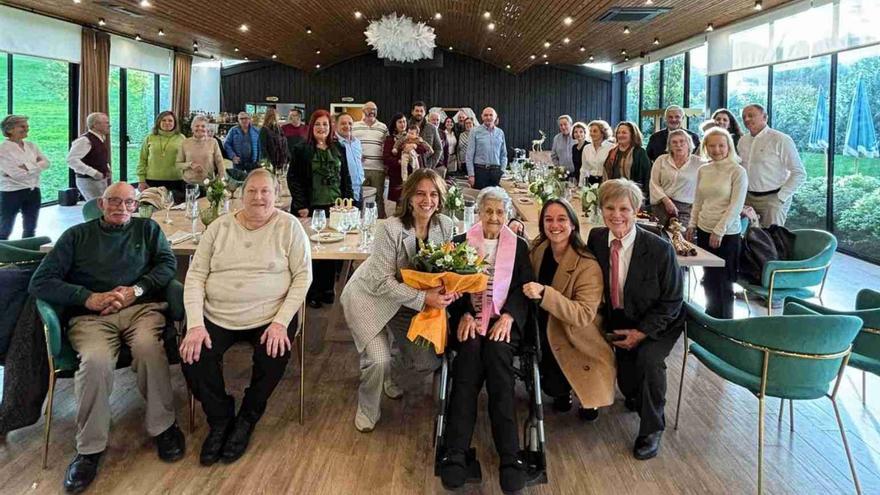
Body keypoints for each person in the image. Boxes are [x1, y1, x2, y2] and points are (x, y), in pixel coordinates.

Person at [29, 182, 183, 493]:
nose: (121, 208)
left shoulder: (147, 230)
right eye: (114, 201)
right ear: (101, 203)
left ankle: (163, 427)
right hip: (91, 318)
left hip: (141, 310)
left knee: (148, 350)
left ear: (136, 205)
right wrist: (88, 298)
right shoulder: (76, 236)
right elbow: (41, 281)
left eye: (128, 202)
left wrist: (135, 290)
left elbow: (167, 264)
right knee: (96, 362)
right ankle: (89, 449)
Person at [180, 169, 311, 466]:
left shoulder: (289, 227)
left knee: (273, 355)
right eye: (252, 191)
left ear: (276, 196)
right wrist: (195, 324)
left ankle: (248, 417)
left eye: (266, 191)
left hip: (269, 314)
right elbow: (196, 275)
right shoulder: (219, 227)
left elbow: (303, 277)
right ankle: (220, 418)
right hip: (217, 314)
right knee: (193, 356)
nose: (259, 197)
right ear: (241, 195)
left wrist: (281, 322)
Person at [340, 169, 455, 433]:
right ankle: (368, 408)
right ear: (410, 197)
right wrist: (425, 297)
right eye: (420, 193)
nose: (427, 200)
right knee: (378, 359)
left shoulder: (445, 226)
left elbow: (447, 269)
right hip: (369, 297)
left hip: (407, 302)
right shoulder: (390, 229)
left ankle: (392, 376)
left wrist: (450, 289)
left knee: (427, 360)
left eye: (433, 194)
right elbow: (381, 282)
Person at [441, 187, 535, 493]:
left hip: (502, 323)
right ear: (479, 213)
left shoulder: (519, 247)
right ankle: (456, 452)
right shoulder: (459, 243)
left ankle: (510, 456)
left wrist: (508, 316)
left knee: (498, 363)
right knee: (467, 362)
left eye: (499, 212)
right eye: (488, 211)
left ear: (507, 215)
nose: (494, 217)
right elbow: (449, 287)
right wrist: (464, 313)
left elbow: (524, 288)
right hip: (469, 320)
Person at [586, 179, 684, 461]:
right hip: (621, 315)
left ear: (637, 210)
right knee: (629, 385)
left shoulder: (659, 248)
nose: (617, 215)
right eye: (610, 208)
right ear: (601, 209)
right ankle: (628, 393)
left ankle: (652, 428)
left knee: (648, 361)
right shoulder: (596, 238)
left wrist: (641, 333)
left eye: (624, 209)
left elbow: (673, 300)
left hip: (660, 319)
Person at [523, 198, 614, 422]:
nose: (555, 225)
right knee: (553, 388)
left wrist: (545, 294)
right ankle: (561, 389)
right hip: (543, 326)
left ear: (573, 224)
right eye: (549, 219)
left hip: (576, 333)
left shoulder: (587, 265)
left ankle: (583, 392)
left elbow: (583, 315)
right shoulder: (539, 250)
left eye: (562, 219)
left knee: (583, 403)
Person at [287, 109, 352, 308]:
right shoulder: (301, 150)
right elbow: (294, 179)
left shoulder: (339, 148)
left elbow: (346, 178)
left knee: (332, 251)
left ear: (330, 127)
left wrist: (348, 203)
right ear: (311, 127)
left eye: (325, 124)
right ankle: (311, 292)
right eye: (318, 124)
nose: (321, 128)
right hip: (311, 208)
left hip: (335, 208)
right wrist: (301, 205)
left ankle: (327, 289)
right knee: (312, 251)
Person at [687, 128, 748, 319]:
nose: (717, 149)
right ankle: (711, 317)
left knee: (723, 281)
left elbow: (736, 205)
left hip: (727, 233)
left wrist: (719, 230)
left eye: (721, 145)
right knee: (709, 278)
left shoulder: (737, 171)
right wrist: (692, 224)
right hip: (704, 228)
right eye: (711, 145)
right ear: (705, 147)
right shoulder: (703, 170)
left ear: (728, 146)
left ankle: (724, 322)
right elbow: (698, 200)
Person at [737, 104, 806, 227]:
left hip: (773, 198)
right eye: (744, 117)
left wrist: (780, 198)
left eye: (751, 115)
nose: (746, 119)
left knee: (772, 240)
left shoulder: (781, 139)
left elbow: (799, 173)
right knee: (748, 239)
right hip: (748, 198)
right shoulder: (743, 141)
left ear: (765, 117)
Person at [0, 115, 49, 240]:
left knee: (30, 227)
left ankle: (27, 252)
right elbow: (17, 174)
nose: (27, 129)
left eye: (27, 126)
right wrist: (36, 166)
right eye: (22, 126)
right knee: (5, 227)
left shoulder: (31, 145)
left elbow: (47, 163)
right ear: (10, 130)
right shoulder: (3, 149)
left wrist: (26, 166)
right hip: (12, 192)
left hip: (33, 190)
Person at [649, 129, 703, 227]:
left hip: (686, 209)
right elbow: (654, 183)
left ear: (689, 143)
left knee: (680, 239)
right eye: (674, 142)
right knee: (660, 238)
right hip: (662, 205)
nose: (678, 145)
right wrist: (666, 201)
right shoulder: (661, 160)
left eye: (682, 141)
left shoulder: (699, 163)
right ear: (669, 146)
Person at [352, 101, 389, 218]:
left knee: (378, 198)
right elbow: (350, 144)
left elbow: (387, 146)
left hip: (378, 169)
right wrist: (356, 155)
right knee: (358, 197)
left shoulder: (383, 127)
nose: (371, 111)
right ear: (363, 111)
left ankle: (381, 223)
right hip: (359, 169)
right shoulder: (354, 126)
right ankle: (358, 221)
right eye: (369, 109)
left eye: (374, 109)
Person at [137, 111, 185, 197]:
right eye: (164, 120)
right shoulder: (149, 138)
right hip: (152, 181)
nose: (167, 123)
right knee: (152, 208)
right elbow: (142, 160)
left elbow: (187, 159)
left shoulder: (182, 138)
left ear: (175, 123)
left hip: (176, 181)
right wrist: (141, 180)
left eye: (170, 120)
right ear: (158, 122)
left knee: (174, 209)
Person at [603, 122, 651, 206]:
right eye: (618, 132)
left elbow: (647, 176)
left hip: (632, 195)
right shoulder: (612, 152)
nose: (620, 135)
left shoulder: (639, 152)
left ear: (632, 135)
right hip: (614, 194)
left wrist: (644, 198)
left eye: (624, 132)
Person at [67, 112, 111, 201]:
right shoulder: (84, 140)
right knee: (96, 209)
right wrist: (93, 172)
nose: (109, 125)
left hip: (99, 180)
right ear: (95, 125)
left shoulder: (99, 139)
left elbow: (98, 157)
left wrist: (107, 169)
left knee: (102, 208)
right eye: (106, 122)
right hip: (89, 181)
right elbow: (71, 160)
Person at [176, 114, 225, 185]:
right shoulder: (185, 142)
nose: (200, 128)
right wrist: (190, 165)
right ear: (192, 128)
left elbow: (220, 162)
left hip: (208, 183)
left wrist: (222, 179)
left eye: (203, 126)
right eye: (197, 126)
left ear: (207, 129)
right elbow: (178, 164)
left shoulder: (213, 142)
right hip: (189, 183)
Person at [466, 107, 508, 190]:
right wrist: (471, 175)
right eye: (485, 115)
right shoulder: (474, 131)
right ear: (482, 117)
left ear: (495, 117)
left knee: (494, 200)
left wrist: (502, 171)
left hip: (495, 173)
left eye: (491, 115)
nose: (488, 117)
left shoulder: (500, 132)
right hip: (480, 172)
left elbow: (504, 155)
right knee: (479, 200)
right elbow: (469, 155)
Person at [336, 112, 364, 205]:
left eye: (350, 123)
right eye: (343, 123)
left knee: (358, 217)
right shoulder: (334, 144)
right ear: (336, 125)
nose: (347, 126)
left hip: (358, 189)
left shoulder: (357, 142)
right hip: (342, 190)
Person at [383, 113, 410, 203]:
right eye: (400, 122)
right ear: (395, 124)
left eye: (404, 121)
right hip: (396, 175)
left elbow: (422, 149)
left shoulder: (411, 137)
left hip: (410, 174)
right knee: (398, 201)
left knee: (410, 200)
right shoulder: (390, 139)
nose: (403, 124)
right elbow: (386, 157)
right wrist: (398, 162)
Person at [580, 120, 614, 186]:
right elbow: (584, 169)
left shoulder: (611, 148)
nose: (592, 134)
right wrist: (580, 185)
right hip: (589, 181)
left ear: (603, 133)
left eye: (595, 131)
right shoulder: (586, 148)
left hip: (605, 181)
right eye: (590, 131)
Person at [410, 101, 442, 169]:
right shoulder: (406, 126)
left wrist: (431, 165)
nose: (419, 113)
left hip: (426, 167)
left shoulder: (432, 128)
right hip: (409, 166)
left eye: (421, 111)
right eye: (417, 111)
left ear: (425, 113)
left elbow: (438, 149)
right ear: (412, 112)